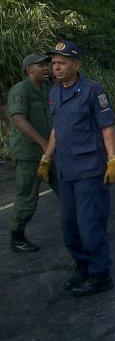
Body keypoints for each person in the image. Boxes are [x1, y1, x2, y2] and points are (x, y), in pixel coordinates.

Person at [37, 40, 115, 297]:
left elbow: (107, 127)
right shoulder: (54, 93)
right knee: (69, 226)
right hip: (66, 170)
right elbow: (57, 129)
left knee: (90, 225)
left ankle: (100, 274)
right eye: (54, 63)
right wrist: (47, 158)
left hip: (89, 169)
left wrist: (114, 159)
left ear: (76, 64)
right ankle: (82, 266)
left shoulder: (92, 91)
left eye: (62, 63)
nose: (56, 68)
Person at [7, 53, 60, 252]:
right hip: (29, 153)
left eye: (47, 65)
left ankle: (82, 226)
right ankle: (17, 238)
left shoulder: (48, 88)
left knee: (66, 188)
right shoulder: (20, 90)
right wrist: (42, 142)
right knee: (27, 196)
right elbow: (19, 119)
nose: (47, 68)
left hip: (51, 150)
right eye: (41, 65)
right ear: (30, 69)